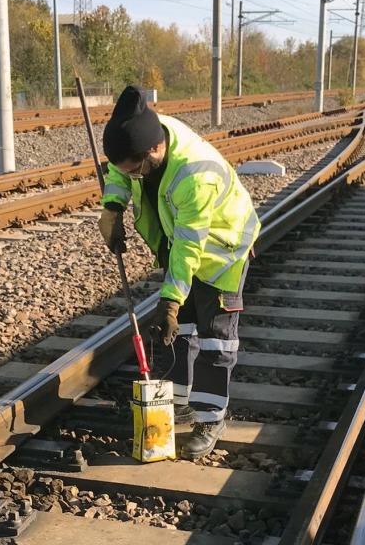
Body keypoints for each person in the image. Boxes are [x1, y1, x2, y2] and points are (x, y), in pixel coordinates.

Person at [98, 85, 259, 460]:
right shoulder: (147, 137)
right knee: (181, 329)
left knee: (216, 336)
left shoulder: (195, 176)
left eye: (136, 170)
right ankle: (182, 403)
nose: (132, 176)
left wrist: (169, 300)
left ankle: (211, 417)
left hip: (221, 251)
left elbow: (190, 248)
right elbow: (118, 171)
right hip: (180, 241)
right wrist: (112, 206)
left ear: (154, 151)